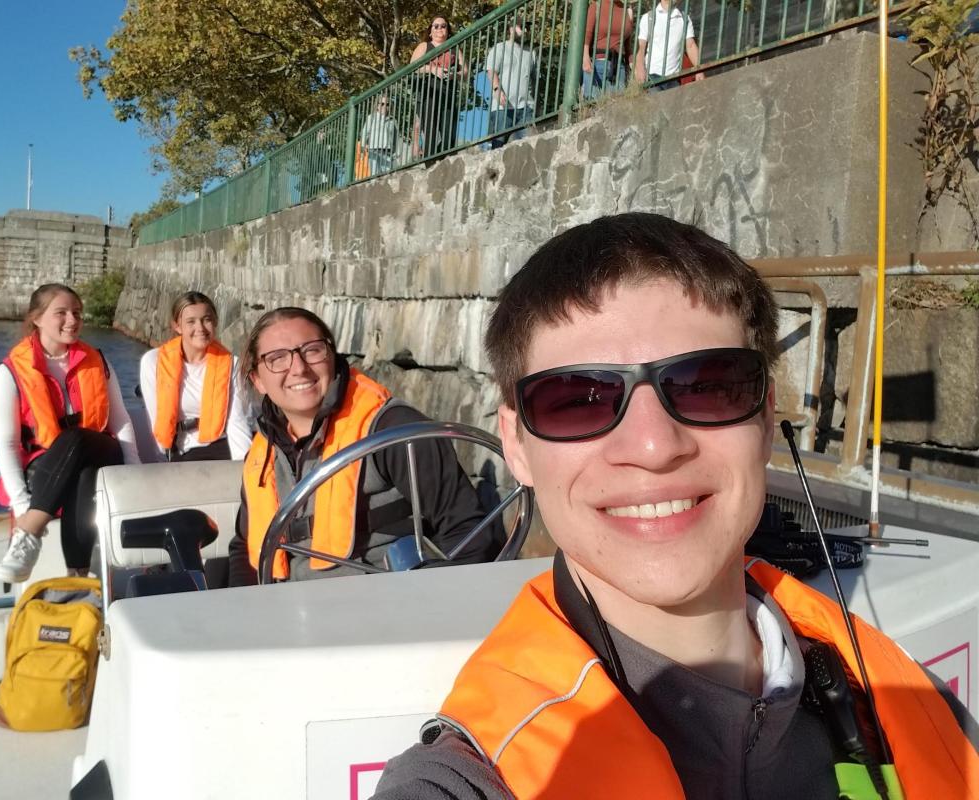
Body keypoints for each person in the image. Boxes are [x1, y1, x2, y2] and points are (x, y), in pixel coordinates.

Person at [375, 213, 979, 798]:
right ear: (516, 445)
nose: (654, 447)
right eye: (577, 399)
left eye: (708, 385)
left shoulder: (903, 697)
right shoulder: (459, 783)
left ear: (767, 418)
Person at [226, 307, 497, 586]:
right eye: (277, 358)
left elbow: (468, 531)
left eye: (312, 350)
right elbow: (244, 547)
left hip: (385, 608)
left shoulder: (392, 431)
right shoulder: (261, 454)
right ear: (257, 379)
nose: (298, 368)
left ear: (331, 356)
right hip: (288, 612)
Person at [0, 283, 140, 583]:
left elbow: (120, 419)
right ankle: (78, 574)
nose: (72, 320)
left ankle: (30, 532)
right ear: (37, 318)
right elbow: (6, 445)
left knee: (77, 440)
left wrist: (134, 470)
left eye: (77, 313)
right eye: (61, 313)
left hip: (101, 447)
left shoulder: (97, 361)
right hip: (50, 461)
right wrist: (20, 503)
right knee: (83, 472)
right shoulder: (10, 372)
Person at [139, 292, 252, 462]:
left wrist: (247, 465)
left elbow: (237, 420)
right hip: (184, 449)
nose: (200, 328)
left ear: (215, 323)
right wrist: (164, 461)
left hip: (224, 443)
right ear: (177, 327)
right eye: (191, 321)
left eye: (206, 320)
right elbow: (155, 417)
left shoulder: (231, 364)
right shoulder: (153, 362)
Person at [410, 16, 468, 159]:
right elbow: (413, 67)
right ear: (430, 31)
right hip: (428, 93)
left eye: (443, 26)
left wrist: (456, 75)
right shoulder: (424, 46)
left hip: (447, 94)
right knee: (430, 133)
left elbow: (466, 71)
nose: (439, 29)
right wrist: (432, 69)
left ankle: (439, 161)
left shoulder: (454, 48)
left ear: (448, 30)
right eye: (436, 26)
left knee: (449, 136)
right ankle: (430, 163)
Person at [484, 18, 537, 149]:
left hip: (526, 108)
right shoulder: (500, 48)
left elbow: (534, 79)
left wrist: (536, 104)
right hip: (503, 108)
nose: (525, 30)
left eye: (527, 28)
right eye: (521, 27)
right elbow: (491, 71)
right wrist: (497, 90)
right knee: (498, 148)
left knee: (529, 146)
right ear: (511, 29)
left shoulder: (531, 53)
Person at [633, 0, 704, 91]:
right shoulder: (648, 18)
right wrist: (640, 69)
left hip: (674, 79)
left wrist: (699, 69)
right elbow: (641, 47)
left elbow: (690, 46)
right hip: (652, 77)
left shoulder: (684, 19)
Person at [582, 0, 634, 100]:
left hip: (618, 68)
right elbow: (587, 35)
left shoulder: (627, 11)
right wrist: (585, 58)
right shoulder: (596, 6)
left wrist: (633, 65)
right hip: (596, 66)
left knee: (615, 109)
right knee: (592, 108)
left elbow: (627, 46)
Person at [360, 95, 398, 176]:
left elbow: (395, 138)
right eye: (382, 104)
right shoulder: (371, 117)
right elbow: (364, 133)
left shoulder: (392, 120)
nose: (385, 106)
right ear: (377, 105)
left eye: (387, 104)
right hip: (373, 150)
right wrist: (363, 147)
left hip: (387, 151)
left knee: (387, 175)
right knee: (374, 176)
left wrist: (394, 153)